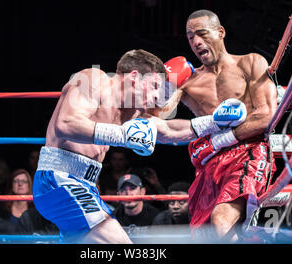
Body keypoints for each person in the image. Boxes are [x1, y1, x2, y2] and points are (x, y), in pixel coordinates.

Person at [32, 48, 246, 244]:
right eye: (154, 86)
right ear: (134, 77)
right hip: (59, 178)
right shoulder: (93, 79)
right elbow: (65, 123)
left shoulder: (130, 112)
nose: (155, 97)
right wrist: (121, 135)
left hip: (84, 184)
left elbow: (169, 131)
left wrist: (215, 122)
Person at [150, 9, 277, 241]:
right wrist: (165, 85)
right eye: (190, 37)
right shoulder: (188, 81)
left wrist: (222, 138)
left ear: (220, 32)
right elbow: (155, 119)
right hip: (209, 163)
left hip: (248, 152)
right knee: (204, 235)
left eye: (202, 34)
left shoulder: (250, 63)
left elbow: (267, 116)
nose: (196, 42)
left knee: (221, 221)